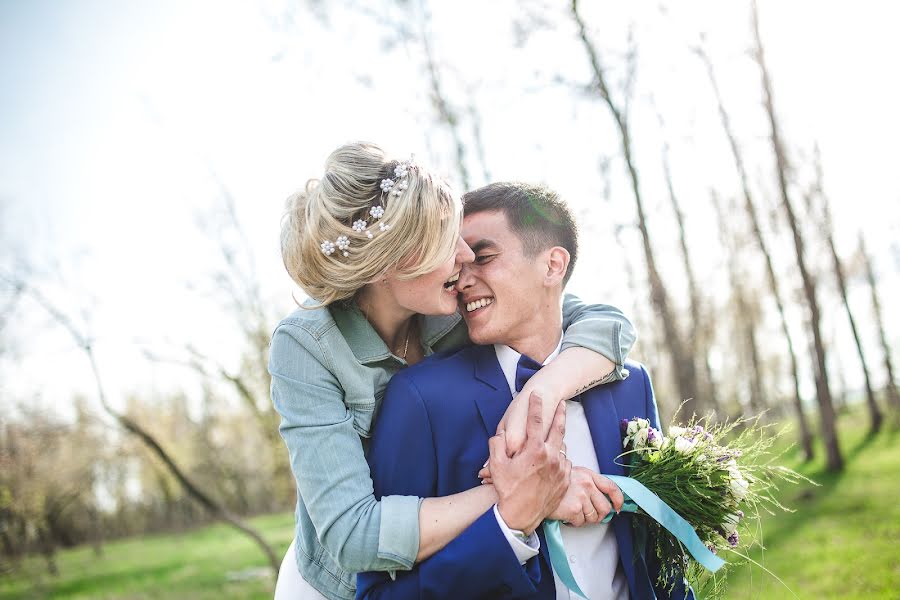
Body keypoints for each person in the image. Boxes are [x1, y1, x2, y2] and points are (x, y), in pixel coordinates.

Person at [270, 143, 637, 600]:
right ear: (391, 263)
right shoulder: (306, 346)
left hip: (450, 568)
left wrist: (539, 390)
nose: (465, 256)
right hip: (342, 588)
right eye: (448, 241)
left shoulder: (450, 308)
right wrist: (528, 492)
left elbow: (606, 324)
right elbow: (353, 535)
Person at [358, 182, 692, 599]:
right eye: (457, 264)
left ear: (553, 265)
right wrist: (510, 525)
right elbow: (380, 594)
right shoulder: (421, 400)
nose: (461, 280)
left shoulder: (632, 384)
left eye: (482, 257)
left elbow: (660, 559)